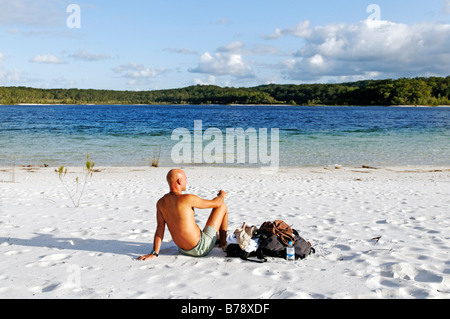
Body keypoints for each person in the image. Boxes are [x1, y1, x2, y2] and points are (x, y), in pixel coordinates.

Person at [137, 169, 228, 261]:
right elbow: (216, 203)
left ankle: (217, 239)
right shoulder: (188, 199)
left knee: (207, 232)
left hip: (182, 249)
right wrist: (221, 195)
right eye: (185, 179)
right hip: (201, 248)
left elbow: (160, 228)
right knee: (222, 206)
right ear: (179, 181)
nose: (186, 181)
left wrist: (155, 252)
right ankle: (223, 243)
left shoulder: (161, 202)